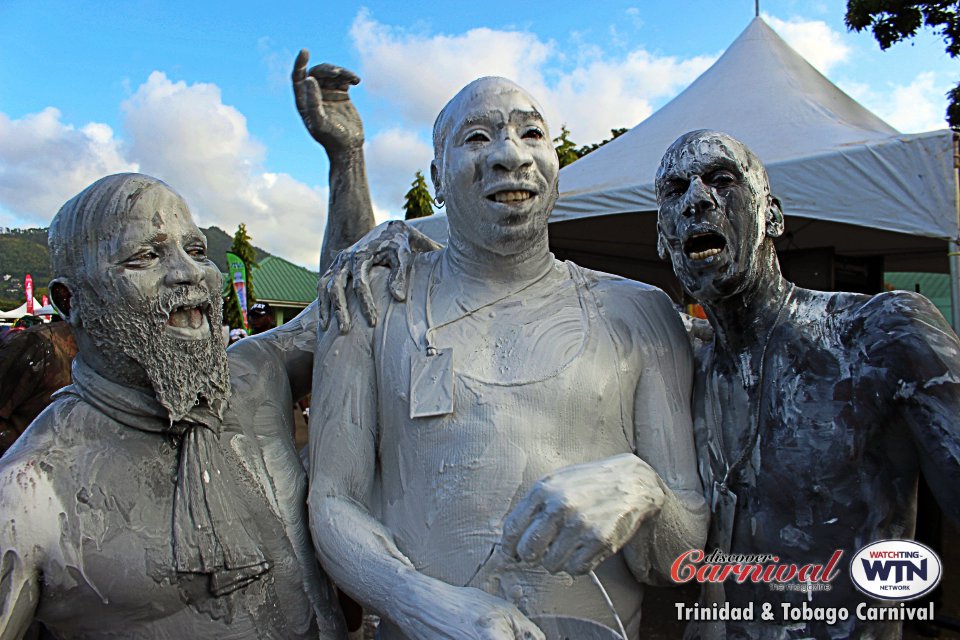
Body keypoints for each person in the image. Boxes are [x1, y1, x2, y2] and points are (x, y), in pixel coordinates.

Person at [308, 77, 708, 640]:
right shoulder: (375, 303)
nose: (509, 155)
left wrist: (641, 488)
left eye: (531, 133)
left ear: (555, 165)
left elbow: (679, 553)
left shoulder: (641, 314)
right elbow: (331, 503)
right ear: (437, 176)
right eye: (477, 137)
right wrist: (420, 603)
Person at [0, 52, 377, 639]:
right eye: (147, 255)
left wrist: (345, 159)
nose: (191, 276)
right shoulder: (29, 492)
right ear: (69, 302)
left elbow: (344, 304)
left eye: (197, 251)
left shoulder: (252, 377)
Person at [654, 129, 960, 640]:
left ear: (771, 216)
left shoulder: (878, 334)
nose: (696, 200)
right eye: (674, 190)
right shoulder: (678, 362)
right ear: (662, 239)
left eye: (721, 179)